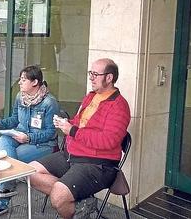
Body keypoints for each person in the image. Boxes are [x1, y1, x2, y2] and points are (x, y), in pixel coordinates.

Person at [28, 58, 131, 219]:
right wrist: (66, 124)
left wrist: (73, 131)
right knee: (30, 172)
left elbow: (109, 141)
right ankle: (82, 202)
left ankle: (68, 199)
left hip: (98, 164)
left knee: (59, 197)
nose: (91, 77)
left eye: (96, 74)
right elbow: (79, 123)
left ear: (109, 78)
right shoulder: (91, 97)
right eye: (91, 73)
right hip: (71, 154)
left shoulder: (119, 106)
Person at [0, 65, 59, 217]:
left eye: (23, 80)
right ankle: (3, 189)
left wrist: (29, 138)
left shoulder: (49, 103)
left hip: (43, 144)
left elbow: (51, 133)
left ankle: (1, 201)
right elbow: (14, 119)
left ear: (35, 82)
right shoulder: (20, 97)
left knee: (7, 160)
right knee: (5, 141)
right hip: (20, 136)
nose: (19, 82)